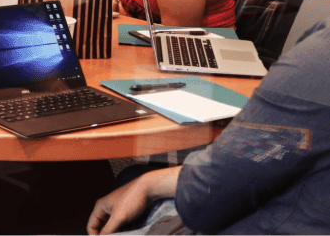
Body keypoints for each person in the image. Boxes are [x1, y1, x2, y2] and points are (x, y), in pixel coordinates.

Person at [87, 18, 330, 236]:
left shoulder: (321, 57)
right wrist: (148, 182)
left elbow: (203, 204)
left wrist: (149, 185)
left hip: (247, 222)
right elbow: (271, 155)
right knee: (130, 177)